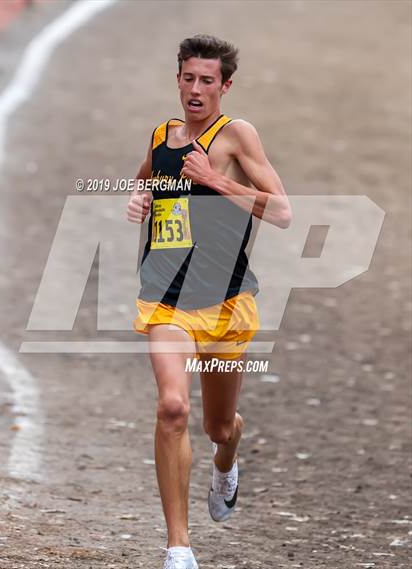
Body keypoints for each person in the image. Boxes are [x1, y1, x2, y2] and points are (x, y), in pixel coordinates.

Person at [127, 34, 291, 569]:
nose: (196, 90)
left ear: (225, 86)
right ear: (177, 78)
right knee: (173, 407)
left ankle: (227, 461)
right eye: (188, 78)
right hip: (166, 298)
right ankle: (179, 547)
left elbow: (283, 212)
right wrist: (141, 195)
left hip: (224, 301)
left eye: (207, 81)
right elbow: (147, 180)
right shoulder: (162, 133)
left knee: (218, 425)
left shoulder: (236, 135)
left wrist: (215, 181)